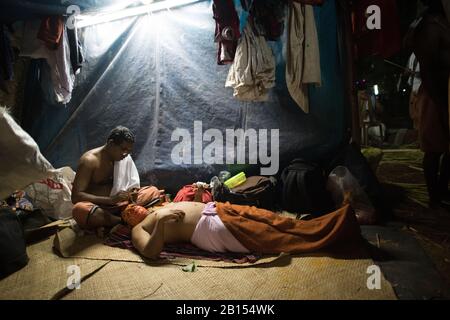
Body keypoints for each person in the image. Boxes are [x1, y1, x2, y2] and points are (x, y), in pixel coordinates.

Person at [131, 201, 361, 259]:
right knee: (278, 237)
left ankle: (339, 220)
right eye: (126, 212)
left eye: (132, 205)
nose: (132, 209)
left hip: (219, 209)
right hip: (210, 228)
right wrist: (161, 222)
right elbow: (150, 252)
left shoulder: (158, 205)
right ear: (124, 221)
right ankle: (339, 232)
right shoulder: (139, 228)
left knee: (279, 221)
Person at [71, 126, 163, 229]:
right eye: (123, 149)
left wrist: (132, 193)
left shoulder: (124, 158)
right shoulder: (89, 161)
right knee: (79, 210)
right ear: (111, 143)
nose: (126, 154)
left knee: (153, 191)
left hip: (121, 204)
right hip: (100, 207)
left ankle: (122, 218)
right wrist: (110, 200)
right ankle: (121, 220)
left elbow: (130, 184)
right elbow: (75, 197)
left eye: (129, 151)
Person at [411, 0, 450, 207]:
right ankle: (435, 196)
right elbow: (428, 68)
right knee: (434, 148)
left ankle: (443, 190)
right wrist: (440, 102)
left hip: (446, 92)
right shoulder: (430, 26)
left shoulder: (443, 23)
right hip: (435, 94)